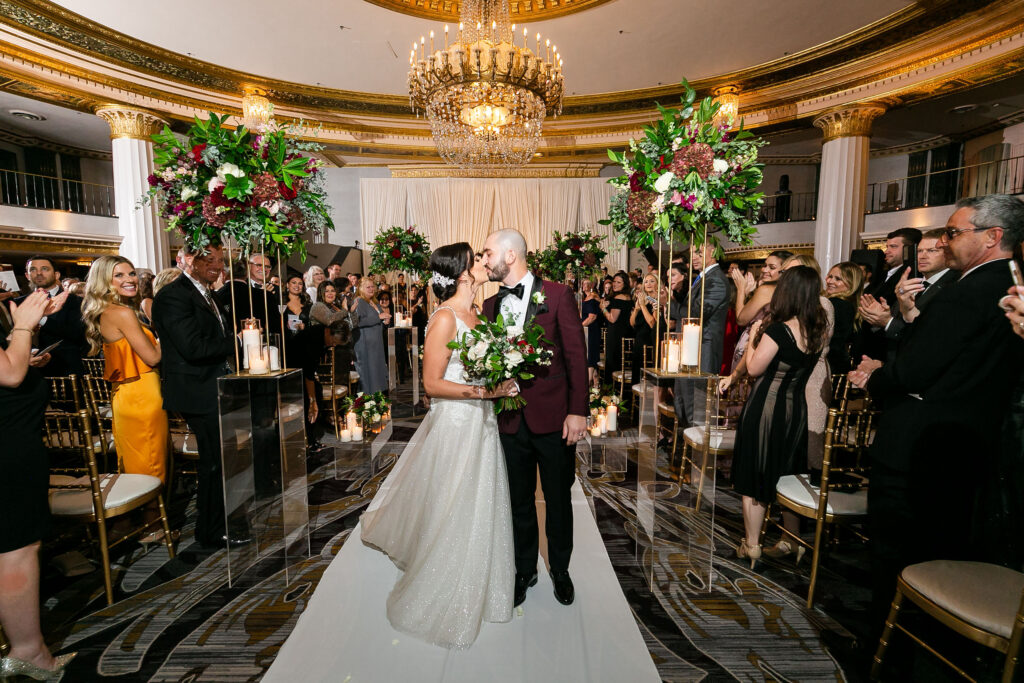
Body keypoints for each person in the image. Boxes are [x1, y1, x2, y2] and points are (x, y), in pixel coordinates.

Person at [849, 195, 1024, 627]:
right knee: (936, 550)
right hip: (965, 440)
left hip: (919, 445)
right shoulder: (1006, 287)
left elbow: (913, 370)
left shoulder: (969, 292)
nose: (945, 242)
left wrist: (875, 379)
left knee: (898, 553)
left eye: (953, 232)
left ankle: (882, 646)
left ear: (992, 237)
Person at [360, 243, 519, 649]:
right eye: (478, 259)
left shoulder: (479, 314)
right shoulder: (446, 317)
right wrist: (483, 392)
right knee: (453, 498)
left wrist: (503, 378)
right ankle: (443, 580)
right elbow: (431, 384)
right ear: (463, 272)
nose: (486, 263)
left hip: (481, 424)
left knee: (478, 498)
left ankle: (480, 576)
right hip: (456, 422)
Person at [481, 229, 588, 608]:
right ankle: (524, 569)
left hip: (556, 417)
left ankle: (560, 568)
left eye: (488, 252)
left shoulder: (558, 295)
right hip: (510, 421)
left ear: (510, 255)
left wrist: (578, 411)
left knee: (558, 499)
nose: (483, 259)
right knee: (518, 501)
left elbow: (576, 357)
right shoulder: (490, 306)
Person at [725, 266, 829, 567]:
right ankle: (791, 541)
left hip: (765, 409)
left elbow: (755, 369)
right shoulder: (817, 330)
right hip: (795, 410)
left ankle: (753, 545)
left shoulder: (779, 330)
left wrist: (756, 336)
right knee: (787, 474)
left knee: (755, 475)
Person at [0, 290, 75, 681]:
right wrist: (25, 325)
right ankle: (28, 650)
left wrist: (27, 334)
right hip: (6, 450)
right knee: (16, 547)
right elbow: (9, 375)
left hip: (14, 442)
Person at [152, 243, 240, 549]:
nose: (216, 265)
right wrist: (237, 343)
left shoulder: (209, 293)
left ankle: (219, 520)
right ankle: (211, 530)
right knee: (214, 462)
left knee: (222, 459)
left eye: (220, 260)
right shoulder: (173, 295)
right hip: (196, 391)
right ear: (186, 259)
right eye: (208, 259)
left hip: (216, 386)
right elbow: (193, 348)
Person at [82, 256, 168, 484]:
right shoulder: (122, 313)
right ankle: (152, 515)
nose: (130, 279)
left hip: (127, 394)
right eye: (118, 275)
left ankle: (142, 514)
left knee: (136, 460)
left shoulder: (108, 311)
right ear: (104, 281)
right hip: (142, 394)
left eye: (130, 273)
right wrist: (167, 335)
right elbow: (152, 357)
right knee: (150, 463)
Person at [670, 242, 729, 424]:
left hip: (703, 350)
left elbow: (695, 314)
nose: (694, 257)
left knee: (698, 408)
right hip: (691, 349)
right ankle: (686, 445)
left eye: (699, 252)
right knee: (684, 403)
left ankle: (699, 450)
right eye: (692, 253)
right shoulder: (703, 278)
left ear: (714, 252)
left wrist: (669, 304)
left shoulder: (716, 280)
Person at [876, 228, 959, 343]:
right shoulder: (911, 283)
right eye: (919, 251)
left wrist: (888, 321)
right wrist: (886, 314)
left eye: (931, 251)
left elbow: (933, 335)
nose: (922, 256)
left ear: (948, 253)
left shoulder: (954, 286)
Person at [15, 255, 87, 376]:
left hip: (67, 370)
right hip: (29, 372)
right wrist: (32, 351)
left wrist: (41, 318)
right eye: (33, 269)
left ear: (56, 275)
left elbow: (77, 334)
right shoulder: (17, 303)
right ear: (27, 276)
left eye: (44, 269)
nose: (38, 273)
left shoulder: (75, 301)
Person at [822, 261, 864, 374]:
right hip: (837, 366)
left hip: (828, 364)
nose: (830, 281)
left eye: (838, 279)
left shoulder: (836, 304)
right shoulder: (851, 305)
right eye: (830, 276)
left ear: (852, 283)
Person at [629, 272, 665, 399]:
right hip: (638, 341)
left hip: (649, 342)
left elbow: (652, 323)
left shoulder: (657, 301)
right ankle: (636, 405)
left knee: (646, 376)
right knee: (636, 373)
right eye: (646, 281)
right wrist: (637, 308)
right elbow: (632, 323)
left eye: (652, 281)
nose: (648, 284)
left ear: (657, 283)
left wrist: (643, 306)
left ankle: (647, 405)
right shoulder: (642, 299)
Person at [351, 277, 389, 394]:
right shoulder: (359, 301)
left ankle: (376, 399)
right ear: (361, 288)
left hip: (375, 343)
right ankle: (366, 402)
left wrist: (384, 322)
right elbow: (359, 322)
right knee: (367, 374)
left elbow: (376, 321)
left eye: (373, 286)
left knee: (376, 372)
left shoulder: (374, 302)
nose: (371, 289)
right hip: (364, 343)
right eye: (368, 287)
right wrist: (379, 317)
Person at [598, 271, 633, 387]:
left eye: (619, 282)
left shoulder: (619, 297)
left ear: (625, 284)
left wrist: (603, 309)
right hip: (624, 332)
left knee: (612, 361)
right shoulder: (628, 297)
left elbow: (612, 318)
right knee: (618, 361)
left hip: (615, 334)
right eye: (614, 281)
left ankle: (610, 389)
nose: (615, 284)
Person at [580, 278, 603, 385]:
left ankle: (589, 382)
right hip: (587, 329)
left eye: (586, 284)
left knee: (590, 355)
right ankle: (595, 381)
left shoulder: (593, 297)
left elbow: (592, 317)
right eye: (583, 283)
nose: (584, 285)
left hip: (591, 329)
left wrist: (580, 326)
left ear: (592, 285)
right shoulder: (586, 298)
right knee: (588, 354)